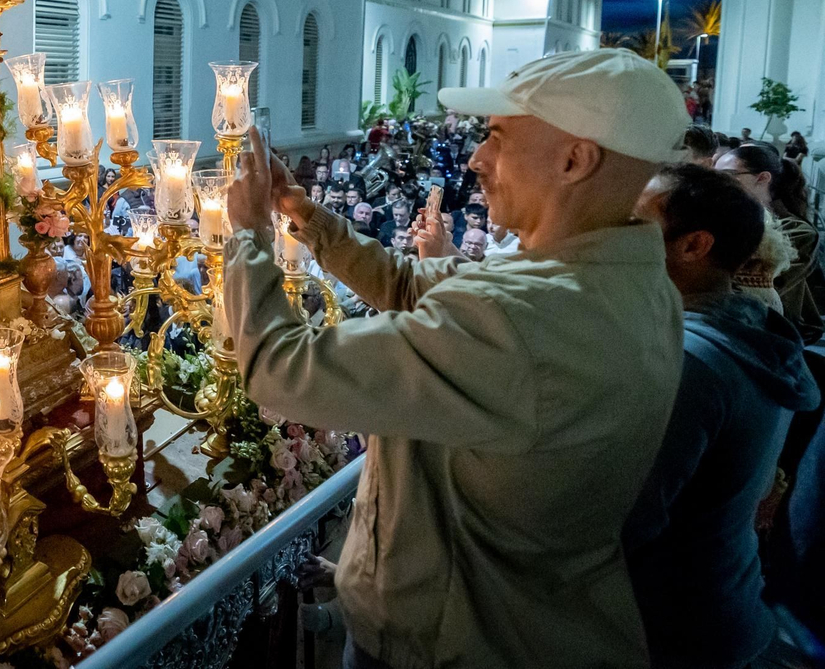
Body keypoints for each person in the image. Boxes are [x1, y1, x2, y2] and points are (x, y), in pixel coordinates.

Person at [225, 49, 688, 668]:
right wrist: (304, 214)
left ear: (574, 159)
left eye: (497, 136)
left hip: (453, 641)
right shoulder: (625, 283)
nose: (476, 158)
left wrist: (247, 232)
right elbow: (416, 286)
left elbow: (277, 368)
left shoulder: (524, 320)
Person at [625, 164, 820, 669]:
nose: (613, 233)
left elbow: (627, 518)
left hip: (673, 632)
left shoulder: (690, 360)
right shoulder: (748, 330)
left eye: (634, 221)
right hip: (723, 612)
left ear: (693, 245)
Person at [715, 141, 820, 340]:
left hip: (769, 334)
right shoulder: (726, 217)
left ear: (762, 178)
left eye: (727, 176)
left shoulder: (797, 230)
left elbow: (765, 285)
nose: (717, 183)